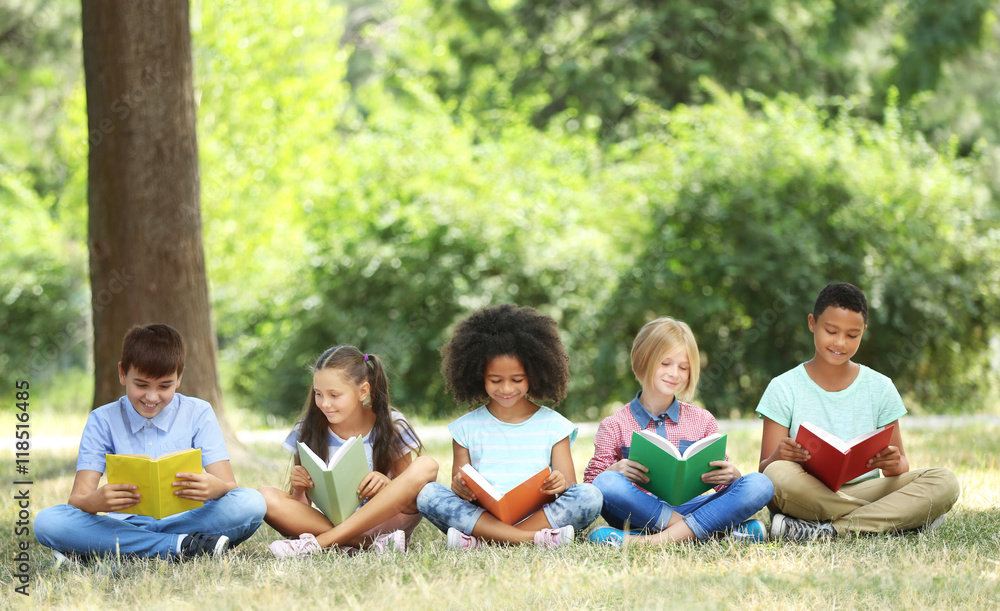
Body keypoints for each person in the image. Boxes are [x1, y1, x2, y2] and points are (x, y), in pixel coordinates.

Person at [34, 323, 266, 560]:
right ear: (122, 373)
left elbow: (229, 486)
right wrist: (95, 502)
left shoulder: (198, 412)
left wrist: (216, 488)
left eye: (165, 386)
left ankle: (115, 548)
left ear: (179, 377)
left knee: (251, 503)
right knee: (48, 522)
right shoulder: (102, 419)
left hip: (186, 520)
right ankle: (181, 546)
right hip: (124, 523)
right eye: (141, 385)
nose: (152, 397)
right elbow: (78, 500)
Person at [757, 282, 961, 540]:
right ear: (812, 323)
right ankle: (903, 519)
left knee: (945, 481)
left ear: (864, 331)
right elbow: (764, 474)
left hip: (867, 489)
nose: (840, 343)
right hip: (806, 493)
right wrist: (778, 455)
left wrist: (895, 463)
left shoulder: (880, 387)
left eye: (852, 335)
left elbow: (899, 466)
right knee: (777, 475)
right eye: (831, 331)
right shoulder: (783, 387)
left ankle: (829, 531)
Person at [416, 304, 603, 548]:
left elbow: (568, 485)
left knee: (590, 496)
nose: (506, 389)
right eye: (495, 380)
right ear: (478, 376)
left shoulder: (555, 426)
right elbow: (461, 488)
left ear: (535, 375)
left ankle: (486, 541)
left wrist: (560, 483)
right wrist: (459, 486)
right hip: (484, 517)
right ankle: (529, 540)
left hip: (538, 517)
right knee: (428, 494)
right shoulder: (465, 429)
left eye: (517, 380)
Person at [584, 317, 774, 547]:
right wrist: (614, 470)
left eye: (683, 367)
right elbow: (592, 489)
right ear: (644, 360)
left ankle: (649, 542)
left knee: (760, 484)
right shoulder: (614, 424)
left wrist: (732, 476)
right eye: (665, 363)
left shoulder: (702, 420)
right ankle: (709, 533)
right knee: (608, 482)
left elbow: (724, 487)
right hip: (638, 513)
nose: (674, 373)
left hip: (693, 507)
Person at [262, 346, 438, 557]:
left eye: (334, 395)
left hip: (385, 521)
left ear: (363, 391)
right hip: (334, 520)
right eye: (318, 394)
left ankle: (322, 542)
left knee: (427, 465)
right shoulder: (307, 430)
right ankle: (369, 545)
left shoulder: (392, 424)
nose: (325, 404)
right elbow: (302, 507)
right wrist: (299, 490)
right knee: (265, 496)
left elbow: (409, 494)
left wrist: (385, 484)